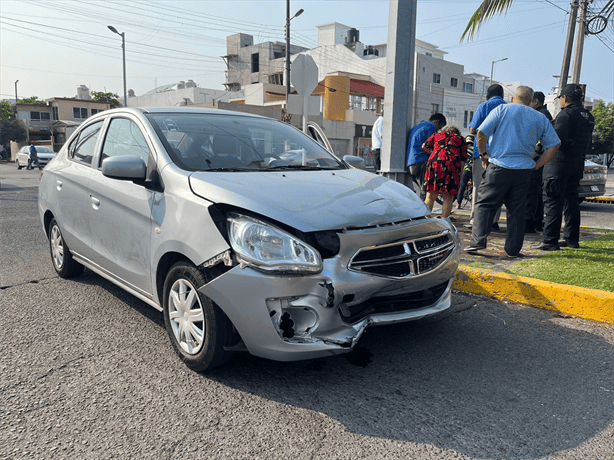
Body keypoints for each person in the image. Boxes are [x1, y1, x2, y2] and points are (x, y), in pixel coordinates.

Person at [464, 86, 560, 258]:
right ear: (531, 101)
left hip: (499, 166)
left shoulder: (501, 109)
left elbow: (480, 133)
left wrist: (484, 154)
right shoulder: (539, 117)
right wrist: (538, 164)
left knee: (485, 204)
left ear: (513, 97)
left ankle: (478, 242)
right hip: (524, 170)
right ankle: (513, 250)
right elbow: (554, 144)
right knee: (517, 211)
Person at [533, 84, 595, 251]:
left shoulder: (565, 115)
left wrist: (539, 149)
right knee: (571, 201)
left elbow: (555, 140)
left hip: (559, 164)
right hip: (577, 163)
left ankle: (550, 240)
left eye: (560, 97)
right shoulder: (588, 116)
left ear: (565, 98)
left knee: (553, 200)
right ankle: (571, 239)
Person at [467, 84, 507, 230]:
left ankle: (476, 220)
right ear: (503, 96)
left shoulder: (484, 106)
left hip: (482, 153)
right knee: (497, 187)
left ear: (487, 96)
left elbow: (472, 129)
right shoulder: (508, 107)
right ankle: (493, 221)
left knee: (479, 187)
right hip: (502, 154)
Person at [422, 126, 468, 218]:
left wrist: (434, 154)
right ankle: (444, 222)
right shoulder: (461, 139)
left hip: (434, 163)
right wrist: (460, 174)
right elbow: (463, 160)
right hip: (451, 165)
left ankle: (426, 220)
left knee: (431, 194)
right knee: (448, 197)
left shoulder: (436, 135)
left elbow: (424, 146)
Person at [525, 91, 553, 233]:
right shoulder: (545, 114)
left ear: (535, 101)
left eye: (530, 101)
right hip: (541, 158)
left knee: (532, 192)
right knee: (536, 192)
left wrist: (534, 154)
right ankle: (535, 221)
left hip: (537, 159)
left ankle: (530, 222)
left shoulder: (541, 115)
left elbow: (542, 141)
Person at [406, 113, 446, 200]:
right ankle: (422, 212)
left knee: (419, 189)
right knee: (425, 191)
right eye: (439, 128)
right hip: (421, 161)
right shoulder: (431, 126)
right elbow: (432, 145)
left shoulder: (418, 125)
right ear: (436, 122)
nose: (438, 131)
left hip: (411, 162)